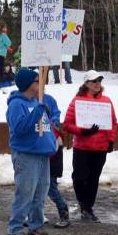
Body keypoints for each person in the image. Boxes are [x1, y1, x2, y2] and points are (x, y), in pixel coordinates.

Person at [6, 68, 57, 235]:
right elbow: (19, 129)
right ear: (28, 84)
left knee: (41, 191)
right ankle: (16, 226)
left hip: (42, 154)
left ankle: (36, 224)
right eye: (37, 81)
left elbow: (45, 126)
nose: (40, 84)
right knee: (26, 191)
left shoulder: (38, 102)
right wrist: (37, 112)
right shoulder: (16, 104)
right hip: (26, 154)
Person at [63, 75, 117, 222]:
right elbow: (67, 124)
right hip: (82, 147)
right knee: (79, 178)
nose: (97, 84)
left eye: (99, 81)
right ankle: (83, 203)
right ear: (86, 83)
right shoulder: (77, 101)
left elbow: (113, 122)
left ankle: (88, 208)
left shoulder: (106, 101)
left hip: (100, 147)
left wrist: (111, 140)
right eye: (94, 81)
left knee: (93, 179)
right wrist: (82, 131)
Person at [41, 90, 70, 227]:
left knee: (50, 186)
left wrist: (50, 127)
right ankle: (36, 214)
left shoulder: (49, 100)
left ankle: (63, 210)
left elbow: (56, 117)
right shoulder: (25, 100)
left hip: (51, 152)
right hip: (38, 150)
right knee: (36, 186)